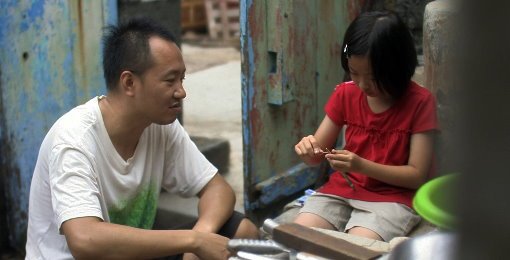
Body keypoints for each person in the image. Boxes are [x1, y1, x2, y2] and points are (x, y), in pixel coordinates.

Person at [25, 17, 258, 260]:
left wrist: (200, 237)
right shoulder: (74, 140)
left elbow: (217, 189)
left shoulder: (159, 124)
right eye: (170, 80)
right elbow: (84, 240)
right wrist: (194, 240)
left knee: (241, 231)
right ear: (129, 82)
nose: (181, 91)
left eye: (182, 79)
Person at [293, 11, 438, 242]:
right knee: (298, 238)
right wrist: (307, 149)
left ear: (398, 68)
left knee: (356, 247)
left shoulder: (420, 102)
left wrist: (362, 166)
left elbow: (416, 176)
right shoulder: (346, 93)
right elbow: (316, 155)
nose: (362, 84)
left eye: (373, 78)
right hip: (341, 191)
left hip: (392, 198)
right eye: (354, 73)